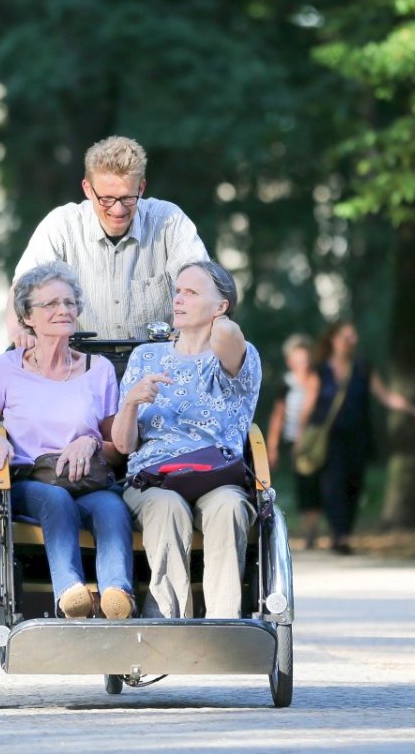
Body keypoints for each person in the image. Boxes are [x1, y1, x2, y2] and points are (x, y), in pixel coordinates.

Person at [0, 261, 135, 620]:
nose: (64, 310)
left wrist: (89, 443)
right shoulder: (6, 368)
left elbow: (118, 451)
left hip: (89, 479)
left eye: (70, 303)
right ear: (28, 316)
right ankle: (71, 593)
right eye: (52, 304)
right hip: (33, 480)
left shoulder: (98, 369)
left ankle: (117, 595)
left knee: (112, 508)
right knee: (56, 500)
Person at [111, 261, 262, 619]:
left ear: (221, 306)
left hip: (216, 476)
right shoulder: (146, 356)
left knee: (229, 506)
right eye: (177, 291)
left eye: (191, 293)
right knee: (168, 507)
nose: (178, 300)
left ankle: (223, 622)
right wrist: (132, 401)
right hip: (153, 479)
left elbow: (228, 336)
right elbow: (123, 445)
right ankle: (168, 617)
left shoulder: (235, 356)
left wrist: (215, 322)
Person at [7, 135, 208, 349]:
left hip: (159, 363)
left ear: (141, 188)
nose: (118, 210)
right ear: (87, 189)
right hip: (80, 366)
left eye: (127, 198)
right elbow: (24, 286)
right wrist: (19, 331)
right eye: (107, 199)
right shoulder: (61, 225)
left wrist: (190, 335)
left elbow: (203, 284)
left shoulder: (169, 221)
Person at [298, 320, 415, 555]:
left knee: (354, 484)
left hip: (358, 438)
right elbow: (309, 404)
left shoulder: (363, 368)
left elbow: (384, 395)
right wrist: (301, 437)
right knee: (333, 485)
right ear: (335, 339)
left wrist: (408, 407)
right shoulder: (321, 370)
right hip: (329, 440)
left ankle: (344, 532)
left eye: (354, 337)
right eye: (347, 336)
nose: (353, 341)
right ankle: (339, 535)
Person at [266, 334, 320, 548]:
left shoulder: (316, 380)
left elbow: (309, 409)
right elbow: (278, 415)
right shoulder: (286, 383)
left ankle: (313, 530)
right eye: (297, 360)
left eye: (304, 360)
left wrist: (302, 436)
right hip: (292, 440)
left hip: (314, 440)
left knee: (315, 483)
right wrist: (272, 446)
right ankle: (309, 531)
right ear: (290, 361)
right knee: (304, 483)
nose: (301, 365)